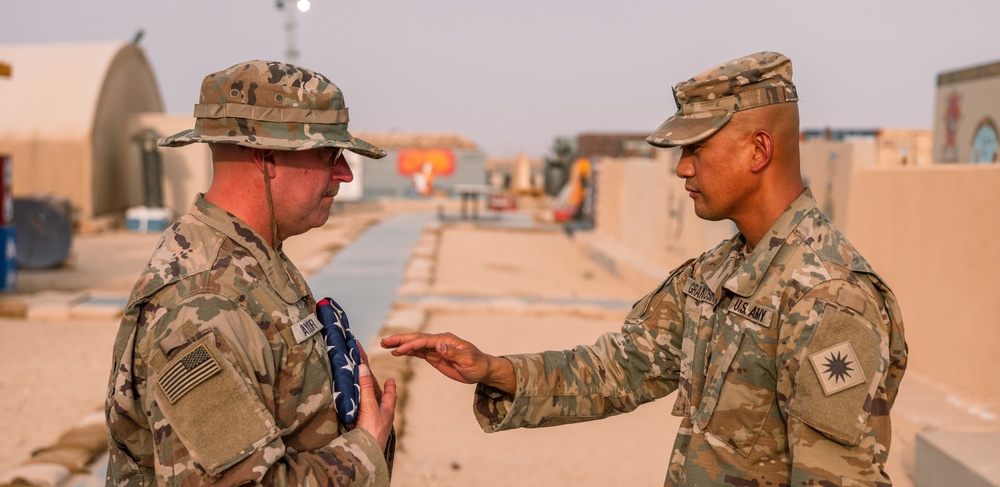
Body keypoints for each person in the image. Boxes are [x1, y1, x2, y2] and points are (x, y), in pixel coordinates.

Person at [382, 51, 908, 486]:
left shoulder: (829, 299)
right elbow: (622, 368)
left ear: (759, 149)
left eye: (697, 149)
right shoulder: (715, 274)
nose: (682, 167)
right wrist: (495, 369)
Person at [105, 60, 397, 485]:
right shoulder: (202, 305)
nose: (345, 174)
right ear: (268, 156)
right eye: (329, 154)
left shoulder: (253, 259)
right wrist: (366, 451)